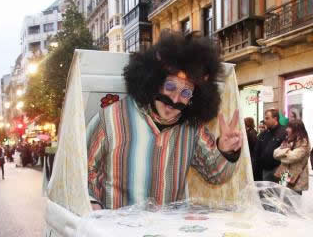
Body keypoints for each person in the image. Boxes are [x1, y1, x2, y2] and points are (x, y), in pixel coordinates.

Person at [86, 32, 242, 209]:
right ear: (153, 81)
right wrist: (93, 205)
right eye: (170, 86)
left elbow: (215, 174)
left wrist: (225, 151)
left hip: (170, 233)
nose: (175, 99)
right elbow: (84, 170)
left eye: (186, 93)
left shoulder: (193, 129)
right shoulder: (109, 119)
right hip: (118, 233)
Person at [272, 119, 310, 193]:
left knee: (293, 201)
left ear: (296, 129)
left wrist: (283, 152)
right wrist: (287, 150)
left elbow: (291, 158)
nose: (286, 129)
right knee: (282, 199)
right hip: (285, 175)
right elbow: (275, 154)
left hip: (296, 178)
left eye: (289, 127)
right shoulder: (289, 139)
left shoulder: (304, 142)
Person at [252, 108, 287, 182]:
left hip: (280, 169)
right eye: (265, 118)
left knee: (281, 192)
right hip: (265, 171)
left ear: (275, 118)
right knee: (267, 193)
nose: (265, 120)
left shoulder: (284, 132)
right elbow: (256, 151)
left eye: (267, 118)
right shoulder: (264, 134)